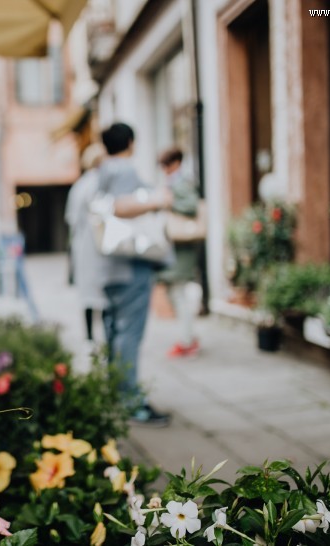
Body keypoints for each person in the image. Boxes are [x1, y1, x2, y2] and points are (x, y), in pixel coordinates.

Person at [98, 122, 172, 427]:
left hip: (110, 266)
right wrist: (157, 200)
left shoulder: (101, 171)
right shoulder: (124, 169)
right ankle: (131, 401)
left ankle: (117, 394)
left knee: (116, 332)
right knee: (129, 334)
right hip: (131, 264)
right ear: (130, 142)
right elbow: (120, 207)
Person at [157, 147, 203, 357]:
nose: (164, 169)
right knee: (177, 292)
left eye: (166, 165)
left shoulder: (180, 182)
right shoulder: (175, 181)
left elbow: (191, 206)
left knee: (179, 292)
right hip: (176, 247)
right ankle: (188, 338)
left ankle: (187, 340)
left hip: (182, 248)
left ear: (176, 163)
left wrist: (170, 203)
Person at [65, 143, 108, 347]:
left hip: (84, 244)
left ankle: (90, 335)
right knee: (102, 290)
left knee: (88, 292)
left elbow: (72, 219)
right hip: (98, 243)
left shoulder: (80, 185)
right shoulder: (99, 183)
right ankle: (103, 333)